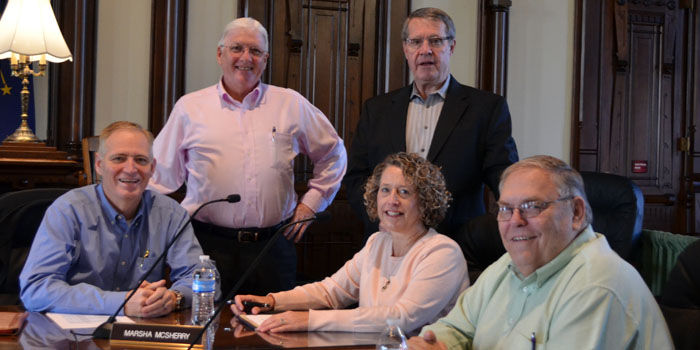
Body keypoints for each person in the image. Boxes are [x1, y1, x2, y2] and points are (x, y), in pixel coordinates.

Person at [148, 17, 347, 296]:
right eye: (237, 48)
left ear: (265, 60)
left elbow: (334, 153)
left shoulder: (290, 103)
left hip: (273, 247)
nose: (246, 58)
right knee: (207, 327)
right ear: (220, 54)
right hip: (206, 246)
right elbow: (159, 179)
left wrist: (311, 205)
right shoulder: (189, 109)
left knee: (275, 332)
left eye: (255, 51)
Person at [408, 155, 673, 349]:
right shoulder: (507, 266)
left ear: (577, 213)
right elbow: (453, 328)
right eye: (505, 209)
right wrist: (435, 344)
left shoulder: (597, 285)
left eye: (532, 206)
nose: (515, 220)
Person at [231, 153, 469, 333]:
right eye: (385, 190)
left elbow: (400, 319)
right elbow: (330, 292)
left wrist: (310, 320)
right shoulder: (378, 242)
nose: (391, 200)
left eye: (404, 192)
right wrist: (273, 301)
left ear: (426, 201)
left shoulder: (442, 252)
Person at [344, 7, 518, 241]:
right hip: (389, 240)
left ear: (451, 47)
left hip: (457, 242)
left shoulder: (486, 109)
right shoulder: (376, 110)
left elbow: (503, 176)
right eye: (416, 42)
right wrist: (381, 218)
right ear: (406, 49)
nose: (425, 50)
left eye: (435, 41)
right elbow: (357, 178)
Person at [19, 121, 207, 317]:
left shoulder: (171, 214)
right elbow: (36, 289)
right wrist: (121, 304)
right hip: (72, 338)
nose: (131, 169)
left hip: (140, 336)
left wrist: (174, 298)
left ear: (152, 168)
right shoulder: (68, 210)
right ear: (99, 165)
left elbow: (204, 279)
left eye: (141, 160)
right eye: (119, 158)